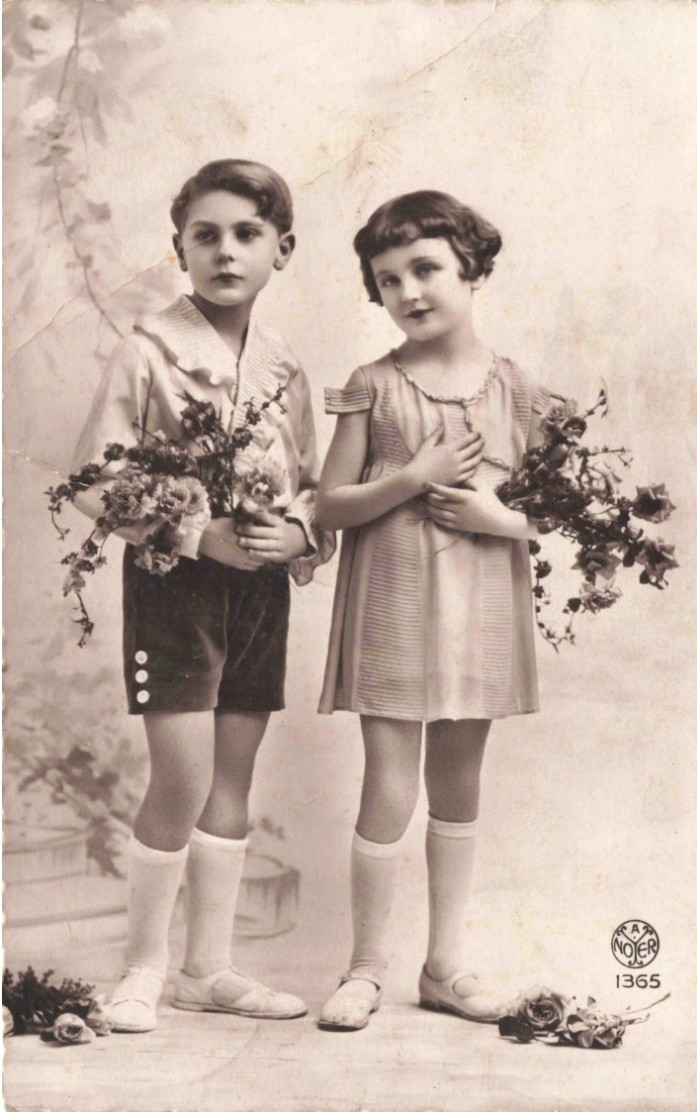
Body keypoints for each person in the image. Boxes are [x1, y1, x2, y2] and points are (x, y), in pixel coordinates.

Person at [71, 159, 333, 1032]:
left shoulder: (284, 366)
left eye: (247, 234)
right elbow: (94, 476)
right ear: (179, 248)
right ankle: (144, 964)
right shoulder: (150, 349)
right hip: (174, 586)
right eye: (206, 234)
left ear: (280, 250)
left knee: (233, 774)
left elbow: (310, 481)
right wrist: (191, 531)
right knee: (180, 776)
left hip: (258, 592)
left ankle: (207, 967)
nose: (226, 251)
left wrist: (298, 533)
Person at [316, 190, 554, 1030]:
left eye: (425, 269)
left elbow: (573, 513)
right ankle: (364, 968)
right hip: (391, 603)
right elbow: (328, 506)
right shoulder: (373, 385)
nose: (408, 292)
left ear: (471, 270)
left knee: (457, 782)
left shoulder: (517, 389)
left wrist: (502, 520)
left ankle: (445, 967)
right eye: (388, 280)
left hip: (480, 607)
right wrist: (412, 478)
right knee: (388, 781)